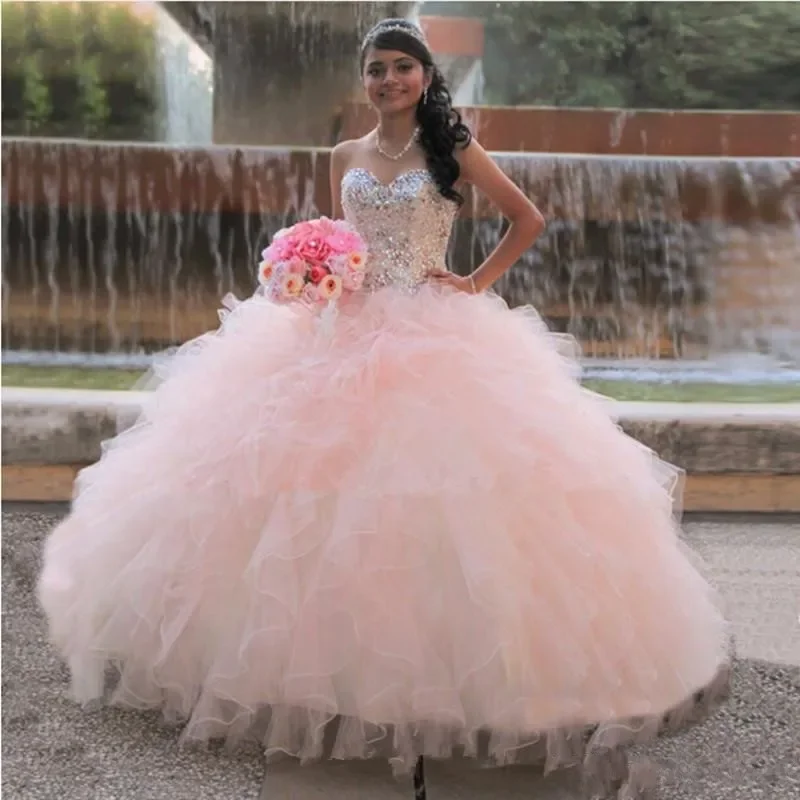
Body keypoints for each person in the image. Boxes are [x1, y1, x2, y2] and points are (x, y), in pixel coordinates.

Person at [38, 18, 730, 800]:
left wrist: (472, 281)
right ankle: (321, 672)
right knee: (310, 499)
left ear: (426, 76)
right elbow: (346, 240)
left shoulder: (453, 151)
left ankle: (465, 677)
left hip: (435, 331)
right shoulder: (344, 156)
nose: (389, 80)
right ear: (363, 80)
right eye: (377, 69)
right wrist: (315, 275)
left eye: (403, 67)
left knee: (448, 498)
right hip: (346, 330)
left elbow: (526, 216)